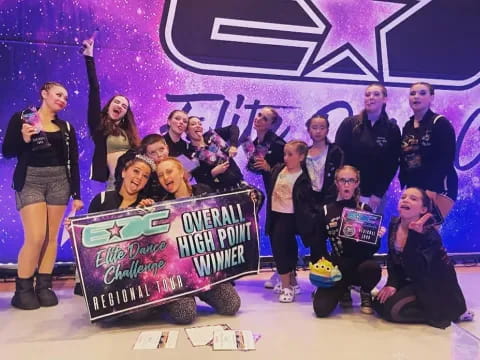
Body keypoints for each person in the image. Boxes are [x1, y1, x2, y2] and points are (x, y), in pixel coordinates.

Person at [2, 81, 83, 310]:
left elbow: (73, 162)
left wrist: (76, 193)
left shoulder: (66, 127)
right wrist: (24, 139)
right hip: (31, 180)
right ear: (44, 94)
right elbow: (7, 151)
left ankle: (44, 286)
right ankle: (23, 289)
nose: (63, 100)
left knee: (50, 237)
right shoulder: (24, 117)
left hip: (59, 182)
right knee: (36, 236)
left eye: (66, 98)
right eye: (58, 94)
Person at [374, 187, 473, 329]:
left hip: (432, 285)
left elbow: (420, 269)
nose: (406, 200)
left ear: (423, 209)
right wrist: (392, 284)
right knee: (378, 303)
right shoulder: (395, 223)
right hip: (410, 280)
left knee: (392, 311)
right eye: (403, 197)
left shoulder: (429, 235)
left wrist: (415, 236)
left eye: (413, 199)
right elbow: (392, 259)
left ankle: (450, 312)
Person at [155, 157, 241, 317]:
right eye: (160, 175)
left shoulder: (204, 191)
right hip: (180, 277)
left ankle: (202, 292)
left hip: (207, 270)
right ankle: (166, 303)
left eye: (169, 172)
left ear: (181, 173)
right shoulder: (161, 207)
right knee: (185, 314)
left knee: (232, 305)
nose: (165, 178)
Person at [311, 166, 385, 317]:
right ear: (336, 183)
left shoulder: (365, 209)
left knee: (372, 267)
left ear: (356, 183)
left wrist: (376, 236)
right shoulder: (326, 210)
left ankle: (365, 293)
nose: (346, 184)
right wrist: (324, 267)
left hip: (361, 266)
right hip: (338, 268)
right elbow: (317, 243)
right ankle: (343, 290)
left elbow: (373, 249)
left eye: (351, 180)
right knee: (321, 309)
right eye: (342, 180)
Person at [82, 39, 140, 189]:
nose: (119, 106)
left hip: (135, 182)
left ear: (126, 113)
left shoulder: (129, 133)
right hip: (114, 183)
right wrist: (89, 57)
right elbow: (94, 89)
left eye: (124, 106)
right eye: (117, 102)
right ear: (108, 106)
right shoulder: (98, 126)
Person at [335, 83, 401, 211]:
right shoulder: (349, 124)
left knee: (367, 230)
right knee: (342, 230)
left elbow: (391, 164)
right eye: (367, 94)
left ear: (385, 99)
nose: (371, 97)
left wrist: (378, 193)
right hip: (346, 191)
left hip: (373, 196)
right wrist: (341, 186)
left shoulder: (392, 129)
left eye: (376, 94)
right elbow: (338, 156)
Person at [265, 140, 317, 302]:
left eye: (290, 154)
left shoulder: (305, 176)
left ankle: (287, 286)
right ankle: (291, 281)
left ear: (301, 157)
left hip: (291, 217)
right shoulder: (279, 169)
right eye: (285, 154)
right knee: (279, 248)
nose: (286, 158)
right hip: (276, 215)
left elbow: (309, 200)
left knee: (284, 250)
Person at [399, 82, 457, 217]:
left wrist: (432, 188)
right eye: (412, 93)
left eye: (422, 93)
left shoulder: (440, 123)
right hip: (415, 186)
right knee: (412, 229)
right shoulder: (408, 125)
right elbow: (407, 158)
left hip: (440, 186)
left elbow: (446, 159)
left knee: (427, 229)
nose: (416, 97)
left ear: (432, 97)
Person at [244, 107, 286, 289]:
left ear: (271, 125)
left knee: (282, 234)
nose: (259, 119)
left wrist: (270, 168)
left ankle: (286, 272)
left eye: (265, 118)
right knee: (274, 232)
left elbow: (291, 170)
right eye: (259, 115)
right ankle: (282, 269)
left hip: (285, 197)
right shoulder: (256, 143)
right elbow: (253, 168)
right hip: (273, 194)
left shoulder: (278, 144)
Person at [185, 116, 244, 191]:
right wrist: (213, 173)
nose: (198, 126)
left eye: (200, 124)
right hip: (219, 192)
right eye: (193, 124)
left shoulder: (211, 136)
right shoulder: (189, 154)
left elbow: (233, 128)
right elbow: (200, 180)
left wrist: (233, 145)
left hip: (239, 182)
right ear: (186, 131)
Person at [114, 133, 169, 202]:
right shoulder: (145, 176)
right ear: (146, 156)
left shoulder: (175, 167)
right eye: (153, 153)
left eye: (161, 149)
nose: (159, 155)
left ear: (167, 148)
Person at [305, 114, 344, 206]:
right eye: (314, 128)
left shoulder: (336, 152)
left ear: (327, 131)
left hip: (329, 200)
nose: (318, 131)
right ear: (308, 130)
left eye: (322, 128)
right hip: (307, 201)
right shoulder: (303, 153)